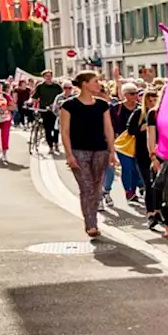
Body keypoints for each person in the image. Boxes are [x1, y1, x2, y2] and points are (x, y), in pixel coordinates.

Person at [60, 71, 117, 238]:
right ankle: (91, 224)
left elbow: (108, 128)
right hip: (79, 151)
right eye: (95, 81)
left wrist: (112, 152)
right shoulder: (69, 105)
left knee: (97, 188)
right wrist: (69, 155)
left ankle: (92, 219)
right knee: (86, 188)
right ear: (84, 84)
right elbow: (65, 131)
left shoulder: (102, 104)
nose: (98, 84)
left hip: (100, 150)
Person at [125, 88, 168, 237]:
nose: (152, 102)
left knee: (161, 187)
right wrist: (141, 128)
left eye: (154, 99)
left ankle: (159, 212)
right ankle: (151, 213)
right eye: (149, 100)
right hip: (143, 154)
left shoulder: (166, 113)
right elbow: (130, 130)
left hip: (162, 154)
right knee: (149, 184)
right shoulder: (140, 114)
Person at [110, 83, 143, 203]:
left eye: (136, 93)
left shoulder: (140, 108)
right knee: (127, 167)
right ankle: (128, 191)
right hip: (122, 143)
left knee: (136, 168)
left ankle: (133, 190)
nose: (135, 96)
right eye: (132, 93)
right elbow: (112, 126)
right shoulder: (116, 108)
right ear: (125, 95)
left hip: (138, 142)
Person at [34, 71, 63, 152]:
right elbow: (34, 97)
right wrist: (29, 102)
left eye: (50, 76)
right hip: (44, 110)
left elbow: (62, 96)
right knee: (47, 129)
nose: (48, 77)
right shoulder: (40, 86)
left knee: (56, 128)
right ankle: (50, 146)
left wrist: (57, 104)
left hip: (55, 110)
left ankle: (56, 143)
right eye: (47, 76)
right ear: (44, 77)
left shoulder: (57, 86)